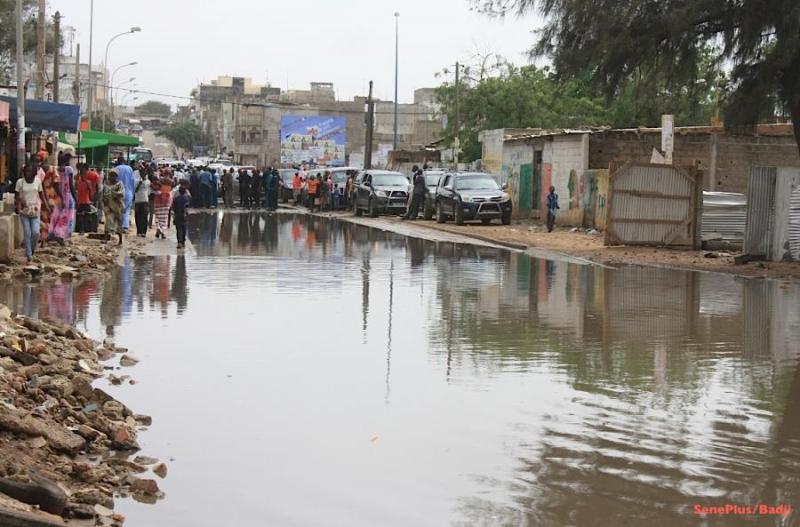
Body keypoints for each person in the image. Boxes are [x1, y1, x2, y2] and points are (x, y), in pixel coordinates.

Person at [15, 165, 47, 263]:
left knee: (36, 233)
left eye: (30, 171)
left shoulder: (37, 181)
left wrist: (47, 207)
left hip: (35, 210)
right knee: (27, 233)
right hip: (25, 211)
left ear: (33, 173)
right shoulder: (20, 182)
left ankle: (32, 248)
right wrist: (18, 206)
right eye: (26, 171)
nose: (28, 173)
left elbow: (42, 195)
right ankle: (28, 255)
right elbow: (17, 196)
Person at [103, 169, 125, 245]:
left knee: (118, 223)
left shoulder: (119, 184)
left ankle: (120, 240)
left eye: (113, 175)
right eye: (111, 175)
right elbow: (104, 193)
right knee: (108, 221)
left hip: (117, 207)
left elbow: (122, 193)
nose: (112, 177)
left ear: (116, 176)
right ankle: (105, 239)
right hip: (108, 206)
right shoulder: (106, 183)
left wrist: (115, 194)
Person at [114, 161, 136, 232]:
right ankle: (125, 226)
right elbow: (133, 181)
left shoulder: (116, 168)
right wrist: (133, 192)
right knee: (126, 210)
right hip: (128, 192)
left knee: (118, 209)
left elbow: (114, 180)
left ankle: (118, 226)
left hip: (119, 192)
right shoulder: (129, 168)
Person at [75, 164, 96, 234]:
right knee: (81, 216)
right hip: (81, 201)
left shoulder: (87, 182)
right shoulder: (78, 181)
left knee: (85, 216)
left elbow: (90, 192)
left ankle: (85, 229)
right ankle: (82, 229)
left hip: (85, 201)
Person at [153, 172, 174, 239]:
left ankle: (158, 229)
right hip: (166, 201)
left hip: (158, 201)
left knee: (158, 217)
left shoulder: (160, 181)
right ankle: (162, 232)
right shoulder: (171, 182)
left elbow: (154, 188)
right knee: (164, 218)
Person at [133, 169, 150, 237]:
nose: (143, 175)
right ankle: (139, 231)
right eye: (142, 174)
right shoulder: (137, 181)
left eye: (144, 174)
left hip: (145, 200)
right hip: (138, 201)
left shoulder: (148, 182)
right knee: (137, 217)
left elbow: (149, 191)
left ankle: (144, 232)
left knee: (144, 217)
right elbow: (135, 190)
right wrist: (139, 183)